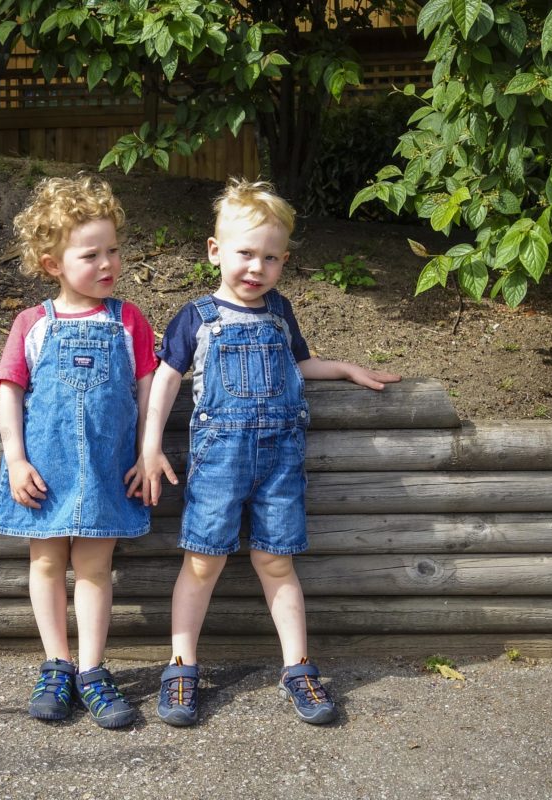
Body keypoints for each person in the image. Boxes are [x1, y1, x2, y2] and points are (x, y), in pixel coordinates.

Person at [140, 177, 400, 726]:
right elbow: (165, 380)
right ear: (215, 251)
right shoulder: (196, 316)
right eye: (245, 254)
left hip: (280, 464)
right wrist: (149, 444)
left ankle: (298, 667)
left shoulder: (280, 312)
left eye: (271, 258)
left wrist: (344, 368)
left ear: (284, 261)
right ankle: (182, 665)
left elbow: (297, 367)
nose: (256, 268)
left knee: (276, 562)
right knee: (203, 561)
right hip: (218, 464)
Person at [0, 175, 158, 729]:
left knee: (94, 567)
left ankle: (92, 670)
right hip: (46, 470)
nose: (108, 263)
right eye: (91, 255)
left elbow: (146, 396)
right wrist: (16, 460)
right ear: (52, 265)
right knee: (45, 562)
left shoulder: (129, 321)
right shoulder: (33, 325)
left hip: (109, 470)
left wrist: (145, 454)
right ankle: (56, 664)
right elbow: (10, 393)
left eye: (114, 250)